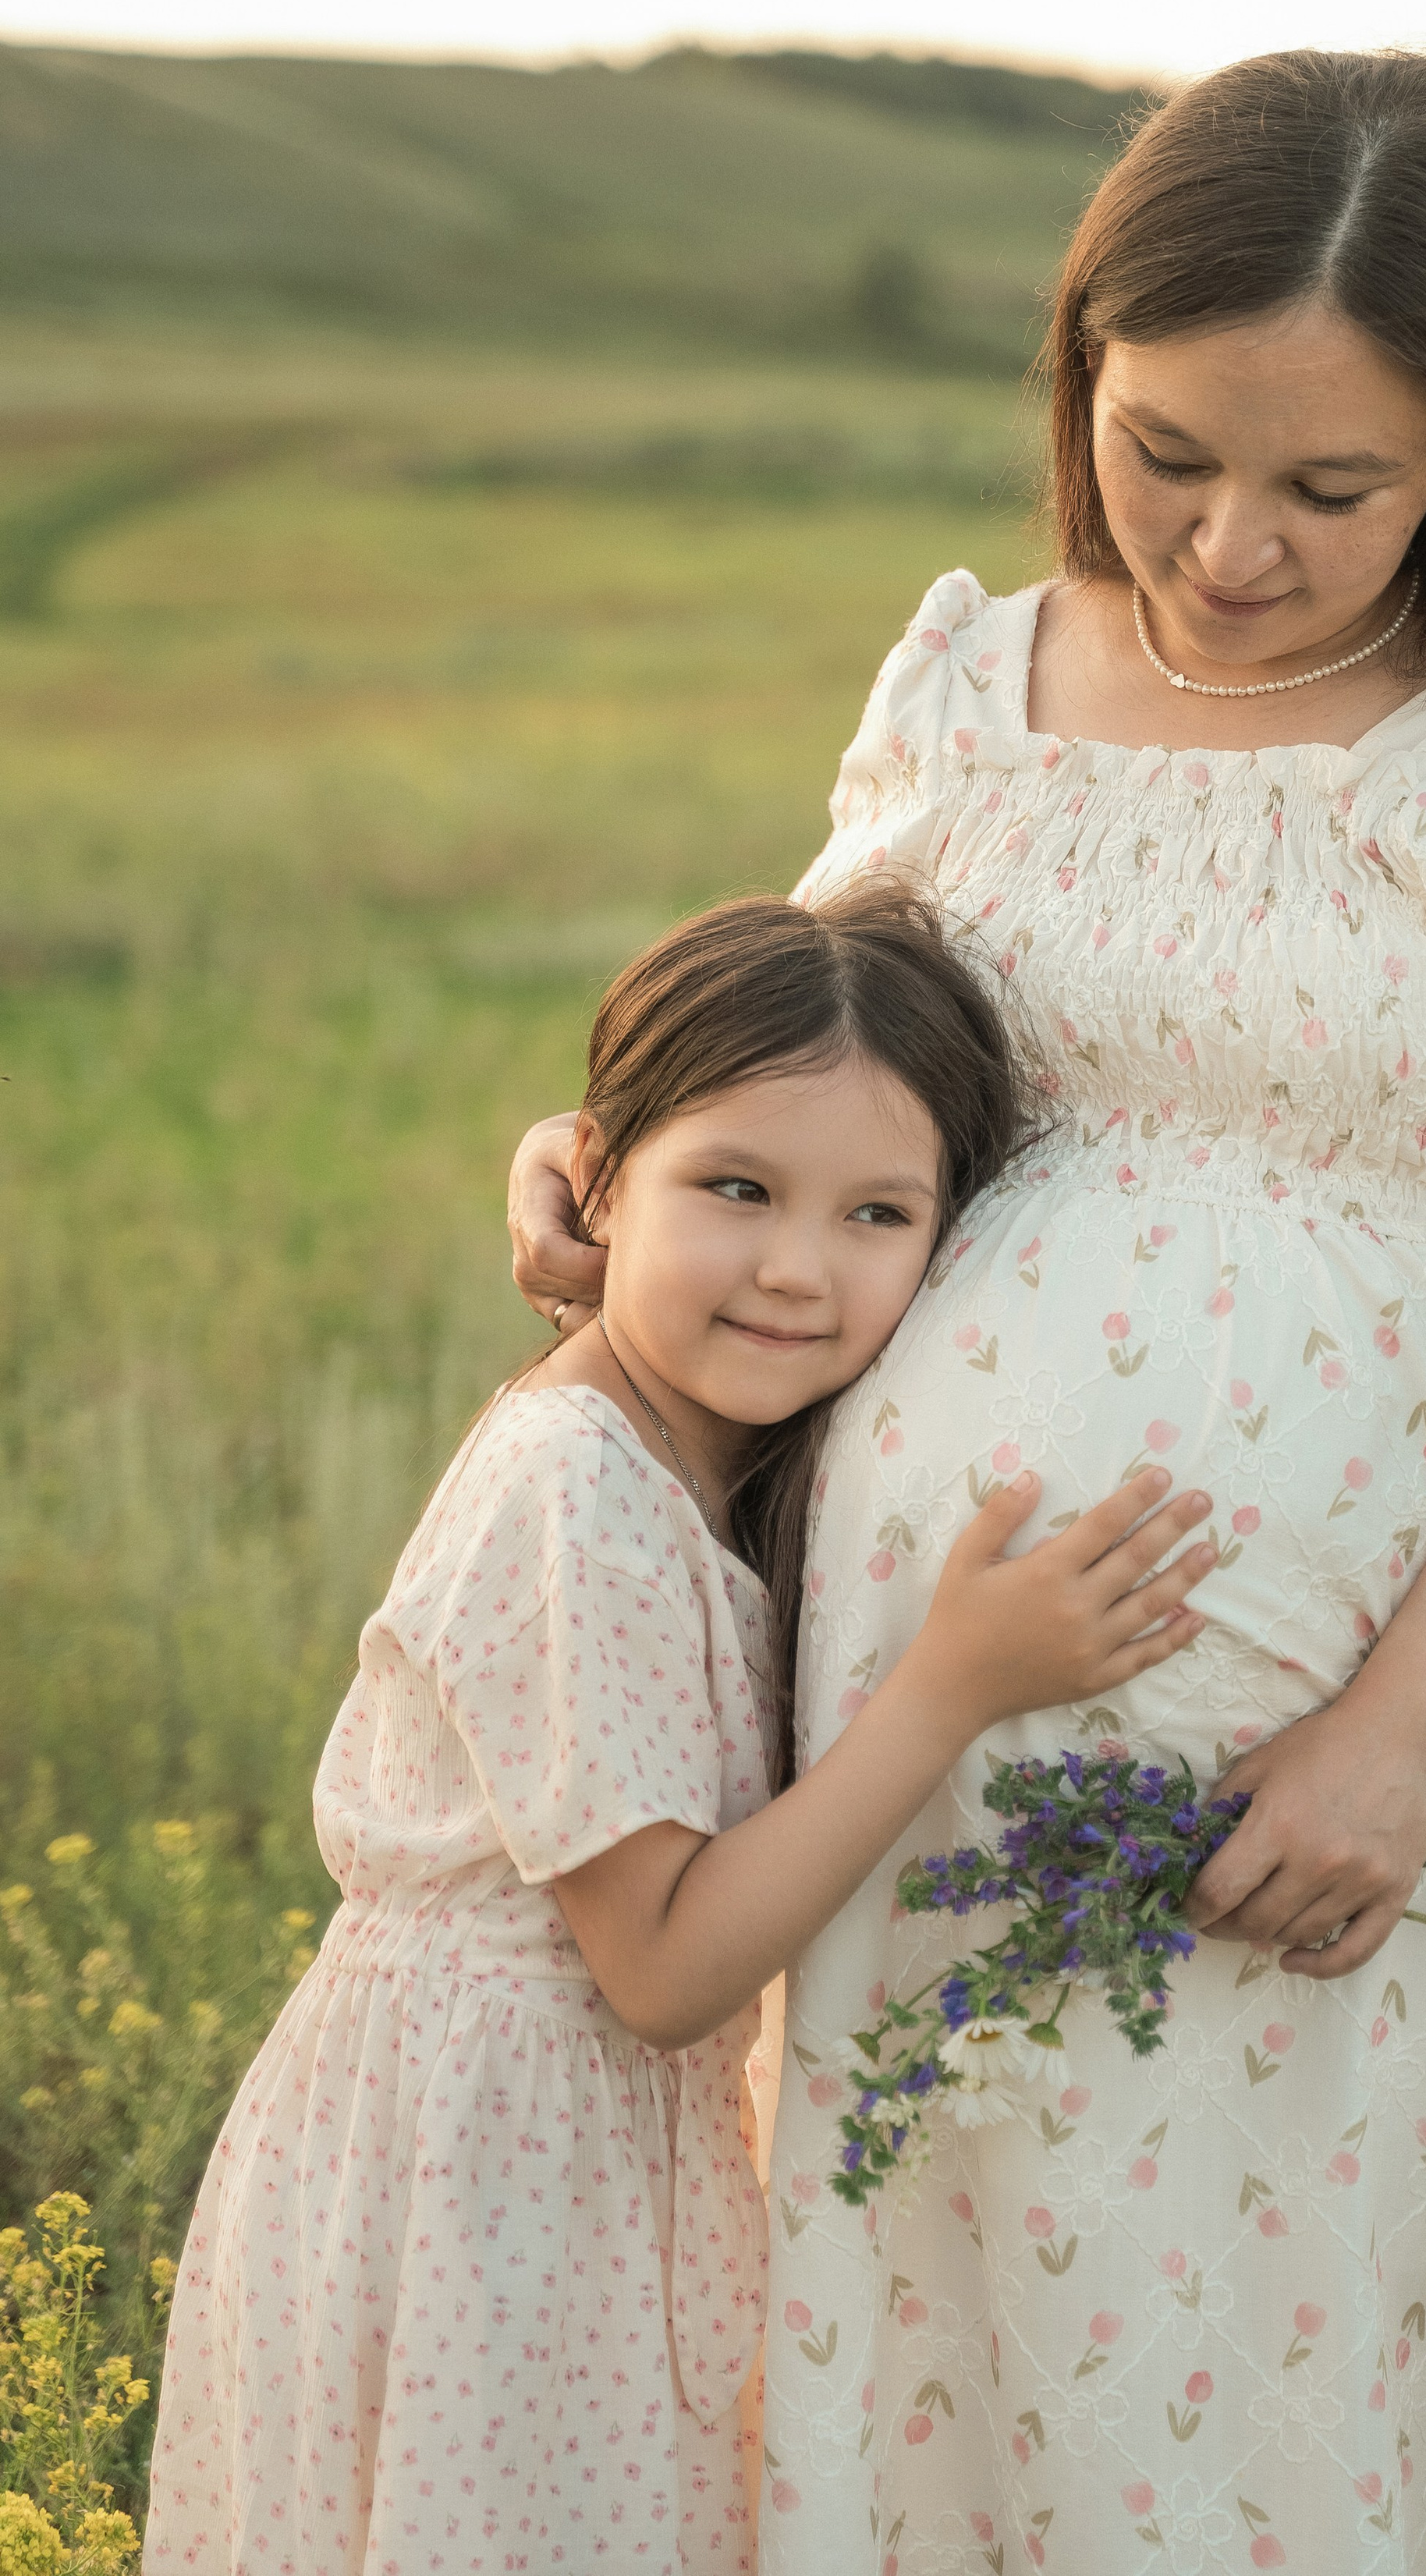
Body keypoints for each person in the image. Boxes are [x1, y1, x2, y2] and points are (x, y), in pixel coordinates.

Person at [508, 50, 1426, 2573]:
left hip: (1362, 1773)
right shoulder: (975, 687)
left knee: (1339, 2349)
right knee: (982, 2322)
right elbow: (827, 1064)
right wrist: (604, 1166)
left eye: (1329, 487)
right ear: (1081, 368)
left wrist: (1385, 1738)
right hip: (940, 1740)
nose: (1225, 547)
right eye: (1167, 451)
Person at [144, 881, 1217, 2576]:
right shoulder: (578, 1489)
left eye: (877, 1215)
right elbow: (656, 1972)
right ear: (595, 1183)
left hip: (565, 2185)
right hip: (470, 2196)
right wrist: (955, 1681)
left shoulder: (694, 1452)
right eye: (734, 1190)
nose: (795, 1268)